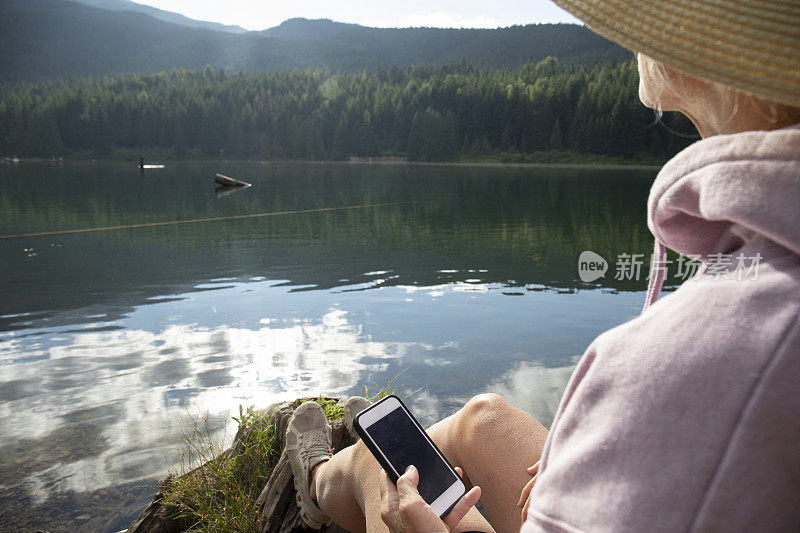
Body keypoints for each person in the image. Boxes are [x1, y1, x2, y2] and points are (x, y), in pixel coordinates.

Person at [284, 1, 800, 531]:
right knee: (484, 416)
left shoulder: (697, 361)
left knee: (385, 477)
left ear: (691, 52)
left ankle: (321, 482)